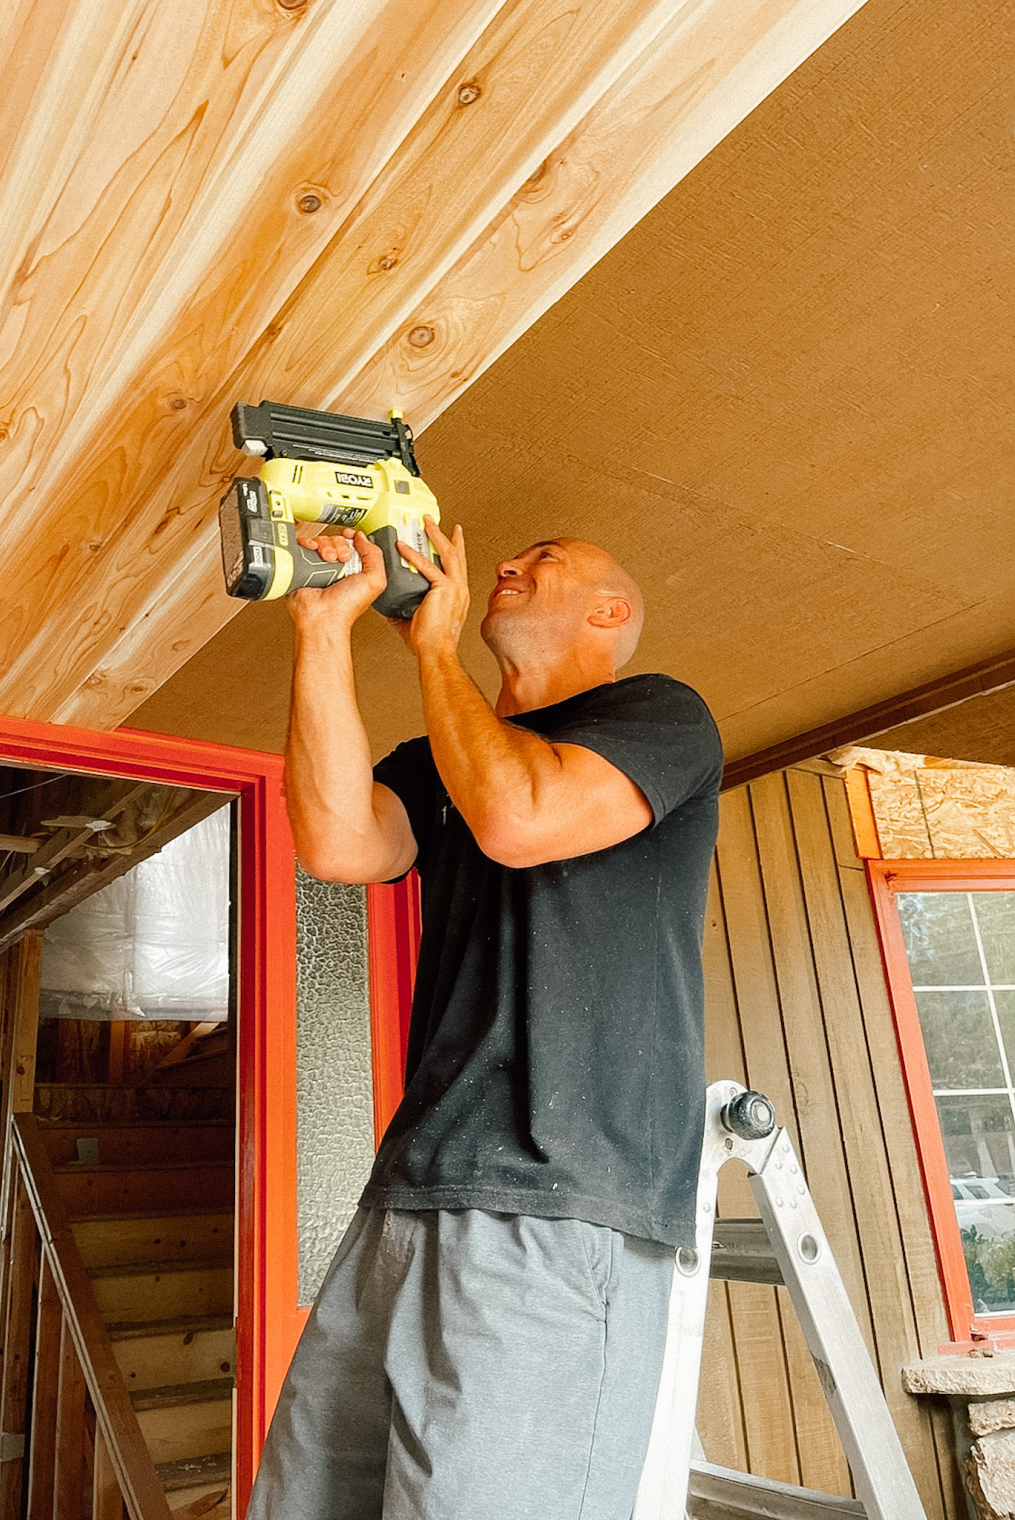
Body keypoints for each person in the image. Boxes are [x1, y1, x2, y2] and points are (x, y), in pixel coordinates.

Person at [246, 516, 723, 1520]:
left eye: (541, 558)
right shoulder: (443, 760)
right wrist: (324, 631)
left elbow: (521, 818)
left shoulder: (658, 715)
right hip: (412, 1190)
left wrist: (430, 644)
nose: (506, 562)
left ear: (608, 611)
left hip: (558, 1197)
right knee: (309, 1499)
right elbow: (337, 840)